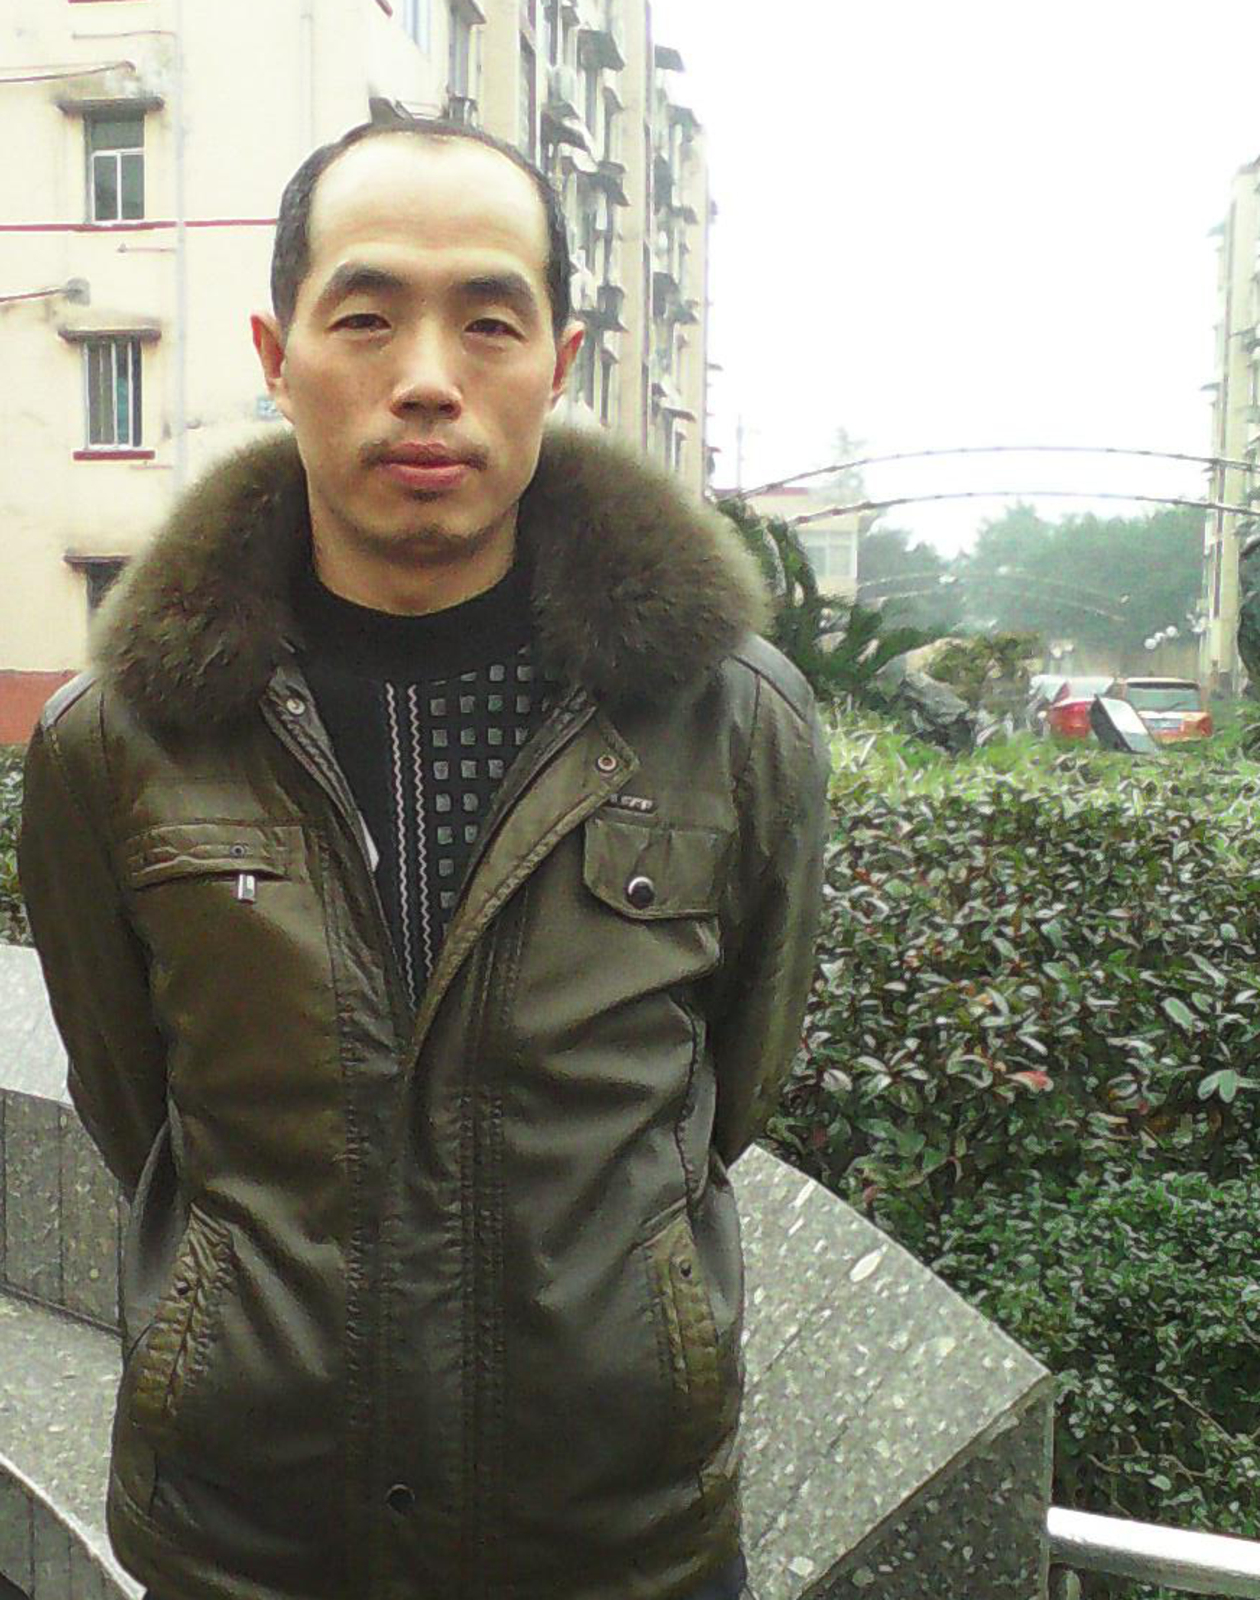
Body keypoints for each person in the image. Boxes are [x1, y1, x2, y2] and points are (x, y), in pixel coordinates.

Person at [19, 114, 829, 1600]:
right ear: (277, 354)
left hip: (614, 1538)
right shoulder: (117, 741)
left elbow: (729, 1084)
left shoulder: (729, 721)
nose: (429, 379)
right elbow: (134, 1095)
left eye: (489, 322)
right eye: (367, 316)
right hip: (250, 1537)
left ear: (559, 364)